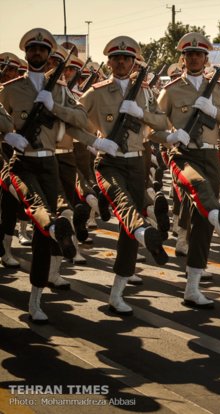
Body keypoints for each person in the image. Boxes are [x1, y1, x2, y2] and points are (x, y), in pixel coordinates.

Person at [0, 28, 93, 323]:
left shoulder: (61, 90)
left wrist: (55, 106)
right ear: (27, 54)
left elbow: (82, 120)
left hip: (50, 162)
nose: (37, 54)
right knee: (32, 208)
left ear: (49, 56)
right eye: (33, 49)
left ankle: (36, 297)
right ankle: (51, 230)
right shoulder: (11, 89)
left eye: (42, 49)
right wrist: (8, 138)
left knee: (44, 234)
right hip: (21, 163)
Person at [79, 35, 169, 315]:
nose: (121, 63)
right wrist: (95, 142)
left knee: (127, 232)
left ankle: (117, 293)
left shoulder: (144, 92)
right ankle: (145, 232)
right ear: (109, 62)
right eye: (116, 58)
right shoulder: (96, 92)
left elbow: (160, 121)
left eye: (127, 59)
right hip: (109, 161)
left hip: (135, 163)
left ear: (133, 63)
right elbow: (73, 121)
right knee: (126, 205)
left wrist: (140, 111)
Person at [153, 32, 220, 307]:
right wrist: (170, 136)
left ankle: (192, 287)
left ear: (206, 59)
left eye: (199, 54)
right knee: (202, 192)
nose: (194, 58)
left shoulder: (218, 90)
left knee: (203, 221)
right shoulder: (170, 91)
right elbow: (151, 128)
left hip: (210, 156)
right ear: (183, 58)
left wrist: (216, 113)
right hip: (183, 156)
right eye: (189, 54)